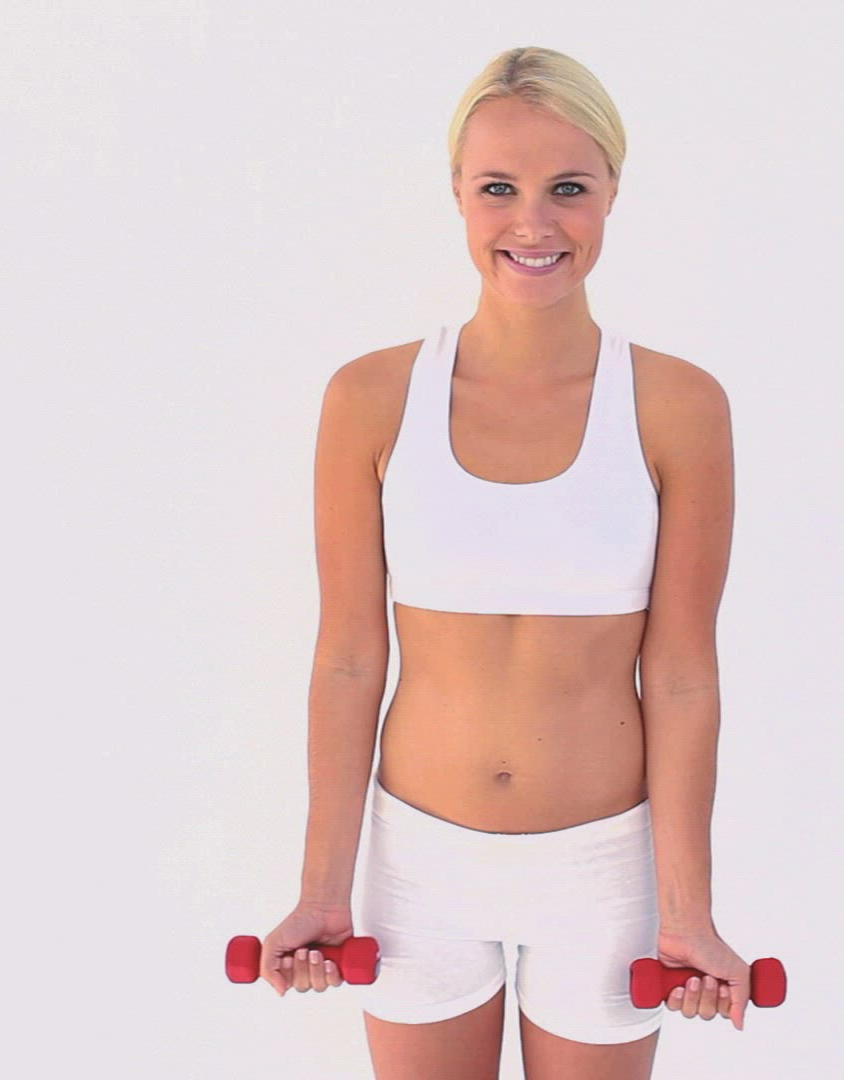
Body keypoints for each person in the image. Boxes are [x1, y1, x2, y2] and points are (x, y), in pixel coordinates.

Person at [258, 46, 745, 1079]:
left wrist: (687, 911)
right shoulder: (369, 398)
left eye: (568, 188)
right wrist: (322, 890)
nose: (533, 223)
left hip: (603, 871)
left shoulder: (679, 407)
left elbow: (682, 674)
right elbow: (348, 658)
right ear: (456, 194)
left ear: (612, 190)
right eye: (498, 189)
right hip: (418, 867)